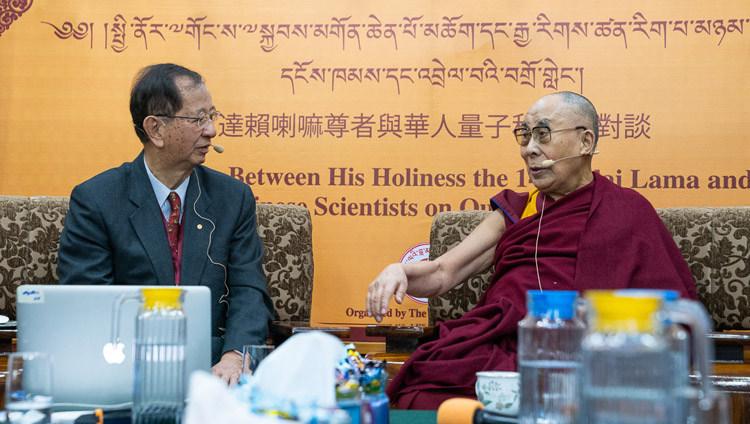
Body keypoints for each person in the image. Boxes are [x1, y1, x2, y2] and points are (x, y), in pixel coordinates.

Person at [366, 91, 698, 409]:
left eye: (543, 134)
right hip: (509, 347)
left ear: (586, 142)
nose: (529, 150)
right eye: (525, 137)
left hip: (590, 351)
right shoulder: (515, 212)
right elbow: (442, 273)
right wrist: (400, 271)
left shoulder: (628, 209)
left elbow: (671, 309)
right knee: (426, 390)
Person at [58, 63, 274, 385]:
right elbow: (88, 300)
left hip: (214, 370)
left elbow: (249, 290)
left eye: (212, 116)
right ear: (155, 129)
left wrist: (235, 356)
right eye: (198, 119)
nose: (211, 130)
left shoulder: (233, 197)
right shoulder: (98, 200)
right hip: (126, 368)